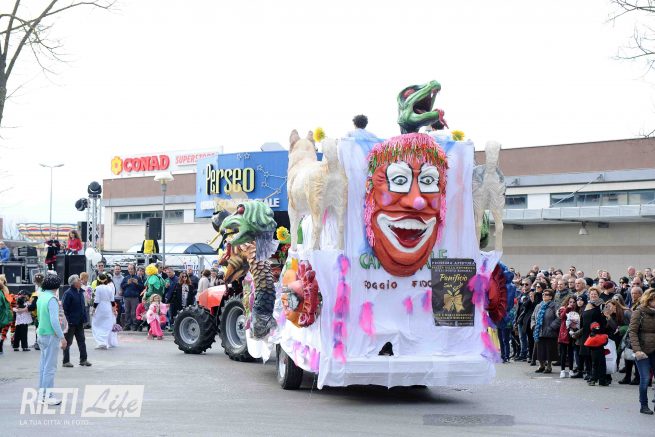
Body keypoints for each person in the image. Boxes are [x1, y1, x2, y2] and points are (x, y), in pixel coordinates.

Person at [36, 273, 67, 405]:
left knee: (43, 366)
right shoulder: (52, 299)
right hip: (50, 335)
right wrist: (62, 337)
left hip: (41, 333)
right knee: (50, 368)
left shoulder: (41, 296)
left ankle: (42, 395)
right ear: (56, 286)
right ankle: (48, 396)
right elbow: (55, 321)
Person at [629, 289, 655, 414]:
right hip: (642, 351)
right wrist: (637, 350)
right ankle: (643, 405)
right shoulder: (639, 312)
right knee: (645, 379)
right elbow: (632, 332)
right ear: (648, 300)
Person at [61, 275, 91, 367]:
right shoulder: (68, 293)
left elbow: (83, 307)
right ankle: (66, 361)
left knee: (82, 341)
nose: (80, 281)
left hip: (79, 321)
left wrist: (84, 319)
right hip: (71, 322)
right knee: (68, 342)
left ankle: (83, 360)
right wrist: (68, 321)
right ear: (74, 283)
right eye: (78, 280)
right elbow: (64, 309)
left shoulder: (80, 292)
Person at [579, 287, 607, 383]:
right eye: (591, 294)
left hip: (596, 334)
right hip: (585, 333)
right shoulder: (587, 305)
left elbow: (604, 320)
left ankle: (595, 376)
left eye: (595, 294)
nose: (593, 295)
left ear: (598, 295)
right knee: (586, 354)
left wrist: (599, 331)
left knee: (595, 357)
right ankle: (589, 373)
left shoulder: (601, 305)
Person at [532, 289, 559, 374]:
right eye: (543, 294)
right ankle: (541, 365)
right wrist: (533, 325)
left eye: (546, 294)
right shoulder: (538, 305)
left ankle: (549, 366)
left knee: (549, 350)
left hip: (549, 332)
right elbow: (533, 317)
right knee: (539, 350)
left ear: (551, 297)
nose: (544, 296)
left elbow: (558, 318)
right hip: (538, 331)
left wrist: (551, 327)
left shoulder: (554, 306)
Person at [92, 274, 118, 349]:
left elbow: (96, 300)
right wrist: (114, 310)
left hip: (100, 307)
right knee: (107, 325)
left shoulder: (97, 288)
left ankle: (101, 342)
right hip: (108, 307)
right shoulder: (109, 288)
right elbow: (112, 301)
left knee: (97, 324)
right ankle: (105, 342)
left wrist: (93, 310)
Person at [558, 296, 578, 377]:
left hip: (573, 332)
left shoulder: (576, 310)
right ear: (567, 302)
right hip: (564, 332)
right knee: (563, 352)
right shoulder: (563, 308)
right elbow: (562, 317)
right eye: (570, 302)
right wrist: (567, 308)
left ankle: (571, 370)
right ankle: (562, 370)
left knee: (571, 353)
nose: (572, 303)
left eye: (573, 302)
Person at [584, 322, 609, 386]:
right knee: (602, 366)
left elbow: (587, 345)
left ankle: (593, 380)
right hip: (601, 351)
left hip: (593, 352)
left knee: (594, 366)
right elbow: (605, 342)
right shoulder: (602, 336)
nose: (597, 328)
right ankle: (602, 381)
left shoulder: (591, 336)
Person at [121, 263, 144, 331]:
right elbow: (122, 286)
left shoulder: (138, 278)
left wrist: (137, 283)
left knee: (134, 312)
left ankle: (134, 325)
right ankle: (127, 325)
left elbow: (142, 287)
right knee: (127, 311)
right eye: (129, 269)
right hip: (126, 297)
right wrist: (127, 283)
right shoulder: (125, 278)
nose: (130, 270)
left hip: (135, 297)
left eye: (131, 269)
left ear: (134, 269)